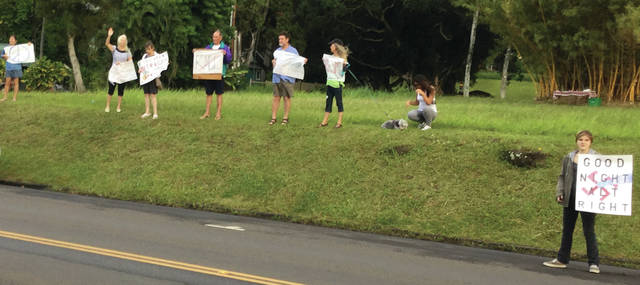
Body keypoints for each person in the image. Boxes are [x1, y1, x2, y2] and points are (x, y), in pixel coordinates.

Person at [543, 130, 600, 274]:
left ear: (590, 142)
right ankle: (562, 259)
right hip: (571, 198)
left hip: (588, 199)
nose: (583, 142)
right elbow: (562, 176)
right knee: (567, 229)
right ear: (576, 141)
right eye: (580, 139)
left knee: (589, 230)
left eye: (586, 140)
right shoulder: (569, 157)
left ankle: (594, 263)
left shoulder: (597, 158)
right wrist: (559, 192)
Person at [270, 31, 306, 125]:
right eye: (279, 39)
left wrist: (303, 61)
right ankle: (273, 118)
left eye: (282, 39)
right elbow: (275, 62)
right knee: (276, 97)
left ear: (287, 39)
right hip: (277, 77)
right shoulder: (277, 51)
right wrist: (273, 62)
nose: (280, 40)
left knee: (286, 98)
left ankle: (285, 118)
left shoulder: (293, 51)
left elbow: (297, 63)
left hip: (287, 78)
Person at [194, 29, 232, 120]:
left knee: (219, 93)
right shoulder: (209, 47)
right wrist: (196, 52)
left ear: (220, 37)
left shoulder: (225, 47)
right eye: (213, 36)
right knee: (208, 93)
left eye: (216, 37)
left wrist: (225, 54)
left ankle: (218, 113)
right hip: (209, 74)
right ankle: (207, 112)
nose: (214, 38)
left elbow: (228, 60)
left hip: (219, 74)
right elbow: (202, 55)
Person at [319, 39, 350, 128]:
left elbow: (344, 71)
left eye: (332, 45)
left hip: (337, 84)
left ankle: (339, 122)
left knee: (339, 103)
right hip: (329, 83)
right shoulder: (330, 58)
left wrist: (344, 65)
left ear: (336, 47)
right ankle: (324, 121)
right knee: (328, 102)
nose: (330, 47)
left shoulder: (342, 59)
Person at [104, 27, 132, 113]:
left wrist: (123, 65)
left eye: (125, 39)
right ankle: (107, 106)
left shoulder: (128, 51)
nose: (124, 41)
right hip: (114, 73)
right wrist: (109, 36)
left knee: (121, 90)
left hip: (122, 74)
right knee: (111, 90)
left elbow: (130, 62)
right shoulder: (114, 49)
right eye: (122, 39)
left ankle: (118, 107)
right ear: (119, 41)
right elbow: (107, 43)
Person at [1, 35, 31, 102]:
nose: (11, 41)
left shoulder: (19, 48)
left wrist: (29, 45)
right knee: (7, 83)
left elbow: (27, 48)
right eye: (10, 39)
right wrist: (4, 56)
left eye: (12, 39)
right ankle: (5, 97)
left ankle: (14, 98)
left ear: (15, 41)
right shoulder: (6, 48)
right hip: (8, 67)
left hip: (17, 67)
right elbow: (1, 55)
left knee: (16, 83)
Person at [139, 41, 159, 119]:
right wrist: (140, 70)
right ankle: (147, 112)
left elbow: (161, 65)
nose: (147, 51)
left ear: (152, 48)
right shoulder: (144, 56)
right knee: (146, 95)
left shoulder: (158, 56)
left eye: (149, 49)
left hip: (153, 78)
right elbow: (142, 66)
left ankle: (155, 113)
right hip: (145, 78)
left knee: (153, 95)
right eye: (146, 49)